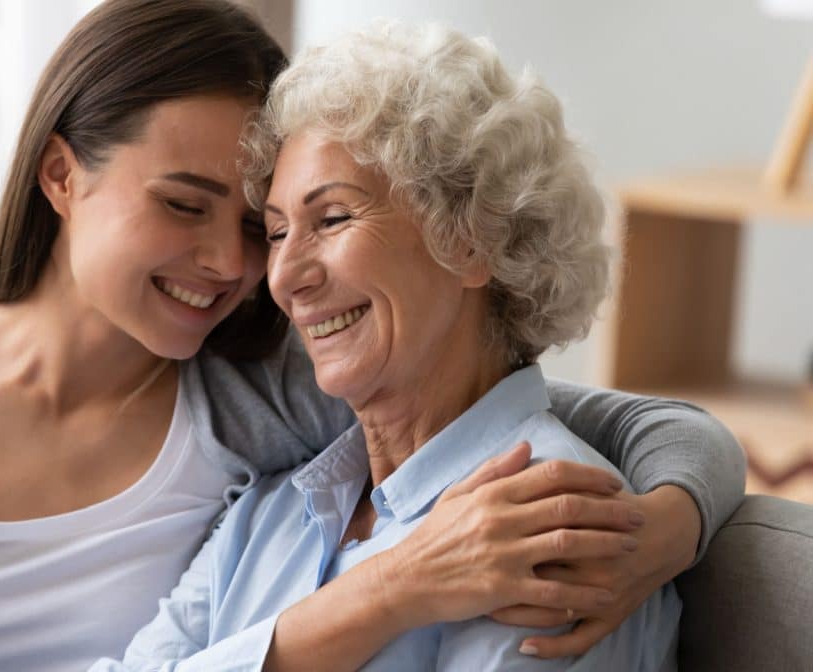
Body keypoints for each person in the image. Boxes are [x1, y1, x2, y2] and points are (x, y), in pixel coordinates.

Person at [0, 2, 742, 671]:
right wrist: (389, 591)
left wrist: (655, 530)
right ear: (60, 176)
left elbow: (619, 422)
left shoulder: (281, 397)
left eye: (268, 224)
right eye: (186, 205)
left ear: (469, 238)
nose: (253, 271)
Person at [99, 21, 686, 671]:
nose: (285, 278)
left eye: (332, 219)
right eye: (277, 232)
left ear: (468, 239)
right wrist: (386, 591)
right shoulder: (270, 512)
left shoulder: (547, 525)